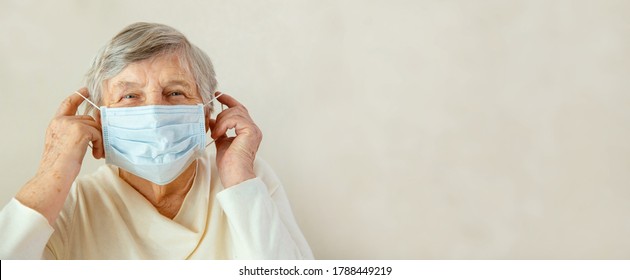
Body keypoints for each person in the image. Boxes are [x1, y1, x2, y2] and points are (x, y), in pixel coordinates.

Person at [0, 22, 313, 259]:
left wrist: (241, 182)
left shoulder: (248, 178)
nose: (153, 112)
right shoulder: (71, 205)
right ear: (99, 118)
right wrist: (52, 172)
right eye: (130, 95)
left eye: (175, 93)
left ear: (207, 113)